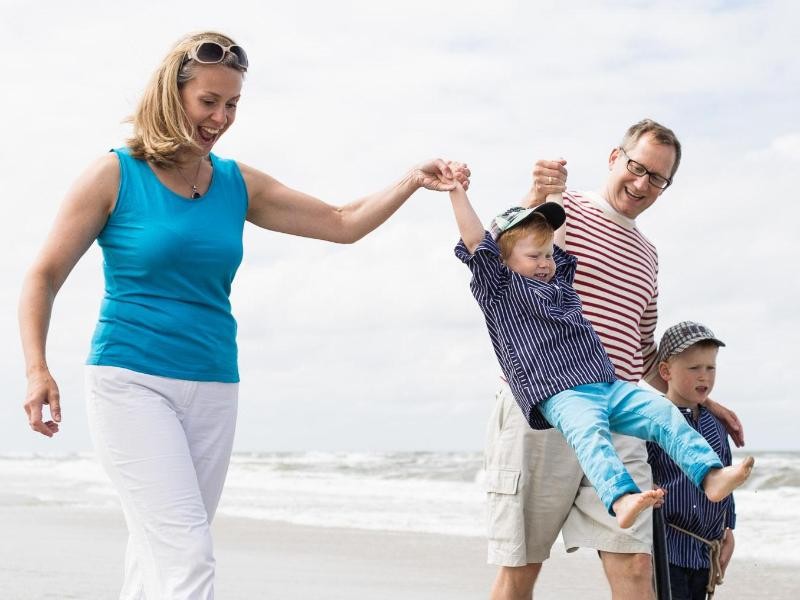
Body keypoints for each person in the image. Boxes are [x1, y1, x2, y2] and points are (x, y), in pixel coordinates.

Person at [18, 31, 467, 600]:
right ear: (171, 94)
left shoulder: (235, 181)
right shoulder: (114, 174)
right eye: (209, 101)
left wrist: (410, 180)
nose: (221, 117)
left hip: (212, 385)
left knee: (163, 554)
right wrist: (38, 368)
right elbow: (43, 275)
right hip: (129, 379)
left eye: (232, 105)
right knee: (187, 556)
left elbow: (341, 221)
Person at [465, 119, 746, 600]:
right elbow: (493, 255)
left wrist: (699, 402)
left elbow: (642, 353)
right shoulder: (562, 209)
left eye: (657, 178)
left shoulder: (648, 254)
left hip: (616, 413)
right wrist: (533, 197)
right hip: (542, 409)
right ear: (614, 158)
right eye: (637, 167)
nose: (642, 184)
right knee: (522, 570)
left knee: (637, 564)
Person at [448, 186, 752, 529]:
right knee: (590, 434)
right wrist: (456, 191)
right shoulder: (499, 289)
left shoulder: (558, 282)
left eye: (547, 255)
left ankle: (709, 476)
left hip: (607, 385)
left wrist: (555, 194)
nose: (546, 263)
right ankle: (621, 499)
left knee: (662, 410)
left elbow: (558, 242)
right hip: (561, 392)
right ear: (503, 260)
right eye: (535, 257)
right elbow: (476, 242)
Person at [648, 322, 739, 600]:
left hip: (704, 550)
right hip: (667, 545)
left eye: (710, 368)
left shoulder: (716, 425)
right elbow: (639, 470)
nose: (704, 377)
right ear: (666, 372)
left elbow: (725, 479)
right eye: (694, 368)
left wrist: (729, 529)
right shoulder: (654, 420)